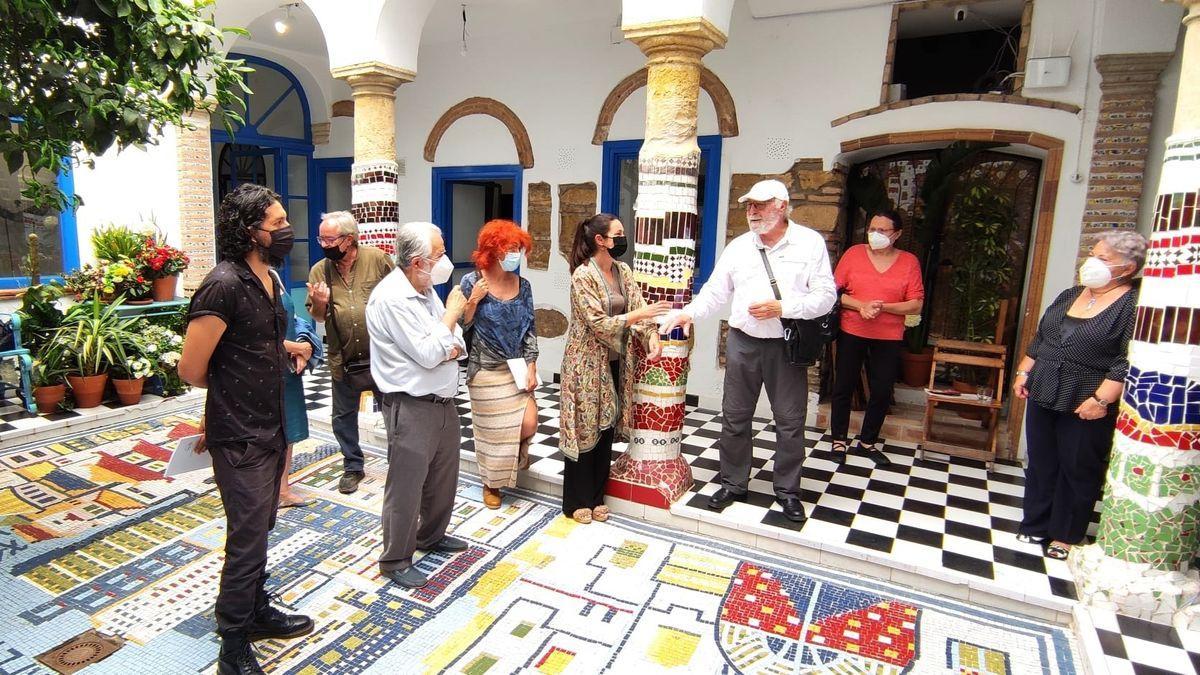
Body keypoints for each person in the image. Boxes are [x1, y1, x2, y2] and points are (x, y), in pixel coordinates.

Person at [178, 183, 313, 675]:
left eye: (284, 221)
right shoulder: (223, 285)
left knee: (262, 527)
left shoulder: (271, 278)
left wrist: (291, 352)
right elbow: (191, 369)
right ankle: (232, 640)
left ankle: (255, 609)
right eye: (276, 224)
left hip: (272, 422)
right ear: (248, 230)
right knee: (247, 536)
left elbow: (260, 345)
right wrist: (228, 396)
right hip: (239, 433)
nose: (286, 231)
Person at [660, 179, 837, 523]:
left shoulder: (809, 243)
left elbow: (826, 296)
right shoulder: (740, 246)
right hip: (743, 341)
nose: (752, 211)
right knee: (735, 416)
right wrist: (688, 313)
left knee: (789, 421)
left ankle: (787, 491)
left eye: (760, 204)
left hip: (786, 344)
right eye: (749, 205)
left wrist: (783, 307)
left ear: (782, 206)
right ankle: (733, 483)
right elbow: (714, 290)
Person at [1013, 231, 1144, 560]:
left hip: (1088, 395)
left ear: (1127, 268)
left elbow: (1127, 358)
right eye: (1093, 253)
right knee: (1042, 461)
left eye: (1104, 258)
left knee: (1078, 464)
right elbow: (1041, 338)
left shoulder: (1131, 305)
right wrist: (1023, 371)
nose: (1092, 262)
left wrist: (1102, 400)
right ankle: (1035, 524)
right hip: (1045, 386)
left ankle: (1065, 534)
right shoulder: (1071, 294)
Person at [366, 221, 470, 589]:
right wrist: (451, 318)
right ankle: (395, 558)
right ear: (416, 262)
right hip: (410, 404)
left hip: (443, 400)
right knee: (407, 485)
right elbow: (429, 353)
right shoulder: (392, 298)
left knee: (443, 477)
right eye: (438, 255)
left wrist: (446, 341)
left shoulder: (425, 289)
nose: (444, 261)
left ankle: (432, 536)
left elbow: (455, 346)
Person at [559, 214, 669, 524]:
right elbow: (597, 323)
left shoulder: (622, 271)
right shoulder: (583, 276)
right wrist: (639, 316)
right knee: (585, 428)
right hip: (584, 363)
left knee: (606, 427)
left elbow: (638, 308)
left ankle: (596, 497)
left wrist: (652, 339)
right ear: (601, 240)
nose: (623, 239)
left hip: (615, 362)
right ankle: (575, 501)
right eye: (618, 234)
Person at [305, 211, 395, 495]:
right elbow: (318, 317)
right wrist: (320, 303)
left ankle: (400, 464)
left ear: (349, 239)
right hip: (343, 358)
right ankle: (353, 466)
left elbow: (399, 298)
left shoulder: (378, 260)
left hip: (383, 357)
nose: (323, 243)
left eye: (330, 238)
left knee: (395, 413)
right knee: (343, 417)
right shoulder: (320, 270)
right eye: (321, 238)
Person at [830, 208, 924, 467]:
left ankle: (867, 442)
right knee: (843, 386)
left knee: (881, 389)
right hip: (853, 330)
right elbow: (834, 292)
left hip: (889, 335)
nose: (875, 234)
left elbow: (916, 303)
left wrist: (884, 307)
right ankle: (838, 439)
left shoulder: (909, 262)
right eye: (872, 229)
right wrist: (861, 305)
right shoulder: (853, 254)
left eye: (882, 230)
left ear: (897, 234)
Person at [460, 220, 539, 509]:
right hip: (484, 369)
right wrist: (473, 301)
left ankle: (513, 456)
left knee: (528, 422)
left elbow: (530, 327)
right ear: (492, 250)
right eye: (511, 249)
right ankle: (491, 484)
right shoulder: (472, 282)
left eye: (519, 249)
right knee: (492, 433)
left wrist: (532, 364)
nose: (516, 255)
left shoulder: (523, 285)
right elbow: (461, 327)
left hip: (516, 367)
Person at [270, 265, 323, 508]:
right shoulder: (239, 284)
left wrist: (303, 346)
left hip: (288, 370)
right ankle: (262, 491)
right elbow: (253, 336)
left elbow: (293, 319)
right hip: (262, 371)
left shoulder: (273, 275)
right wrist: (295, 348)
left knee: (288, 430)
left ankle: (282, 489)